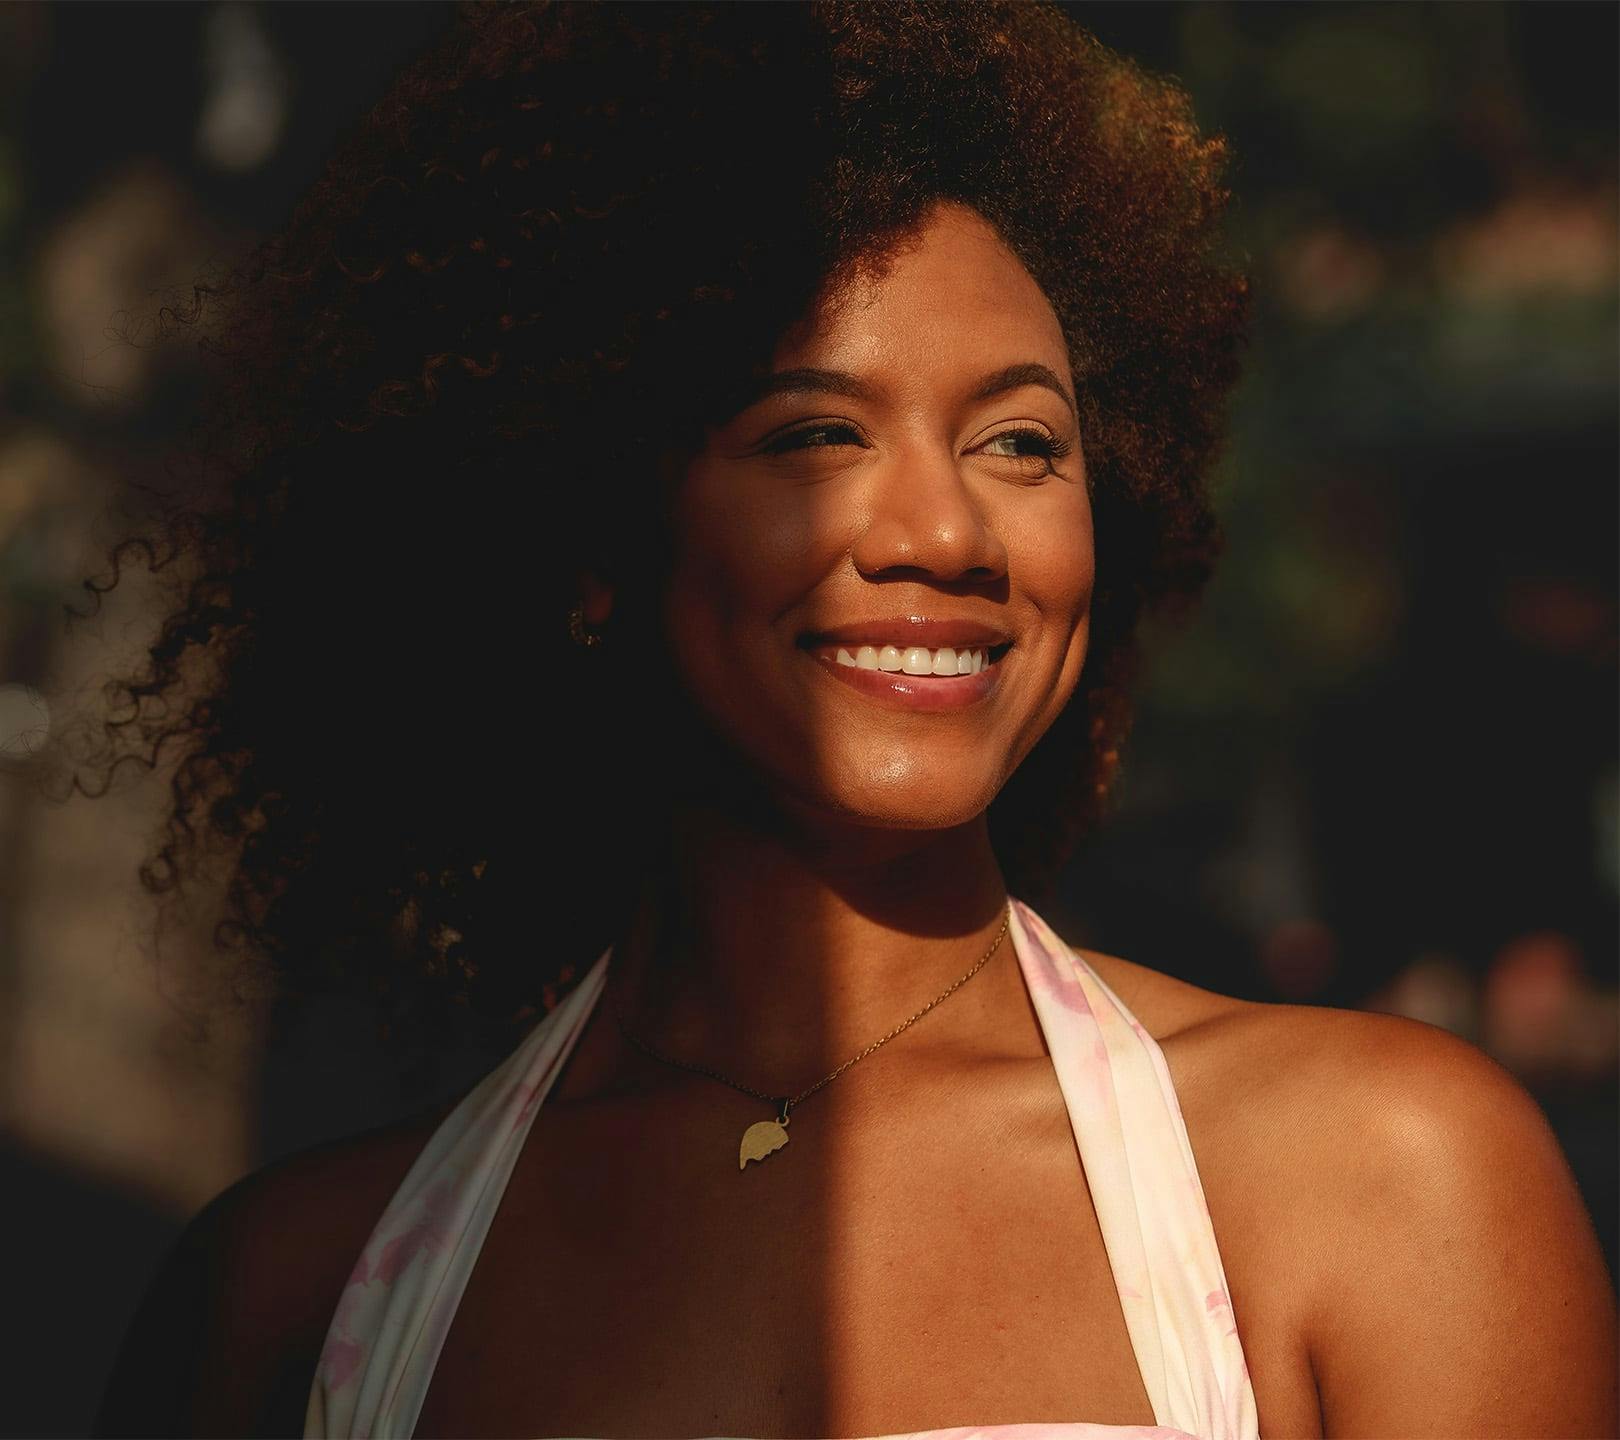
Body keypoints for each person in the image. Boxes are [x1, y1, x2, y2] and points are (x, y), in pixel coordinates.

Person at [88, 3, 1617, 1437]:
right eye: (817, 432)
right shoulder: (288, 1299)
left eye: (1022, 440)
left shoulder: (1380, 1177)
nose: (946, 533)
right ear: (586, 535)